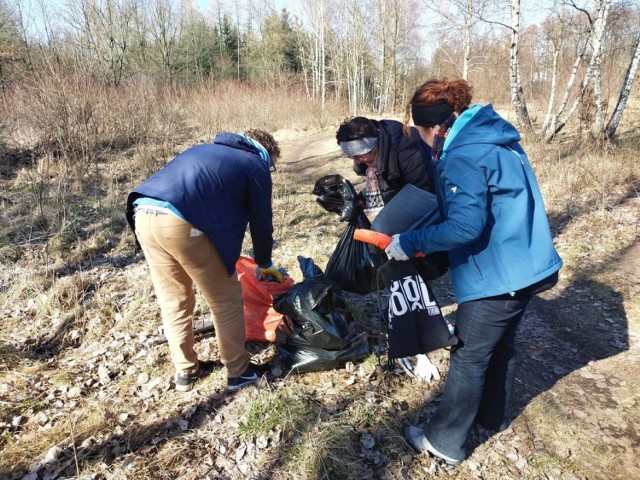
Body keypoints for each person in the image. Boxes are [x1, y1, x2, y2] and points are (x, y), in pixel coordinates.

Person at [384, 79, 563, 465]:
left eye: (420, 133)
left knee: (468, 355)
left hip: (499, 274)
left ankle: (444, 441)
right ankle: (491, 417)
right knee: (500, 346)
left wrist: (411, 241)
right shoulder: (495, 137)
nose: (422, 141)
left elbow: (466, 225)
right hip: (528, 263)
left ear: (434, 127)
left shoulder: (463, 154)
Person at [125, 129, 287, 393]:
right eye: (272, 167)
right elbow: (261, 221)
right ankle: (239, 372)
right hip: (179, 223)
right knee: (225, 298)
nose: (269, 170)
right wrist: (265, 262)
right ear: (266, 154)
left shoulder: (205, 150)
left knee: (174, 299)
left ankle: (186, 371)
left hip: (142, 213)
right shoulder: (255, 163)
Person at [335, 116, 435, 222]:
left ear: (372, 147)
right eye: (352, 157)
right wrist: (363, 199)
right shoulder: (376, 152)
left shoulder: (407, 152)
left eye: (359, 156)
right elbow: (386, 181)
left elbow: (421, 196)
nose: (358, 162)